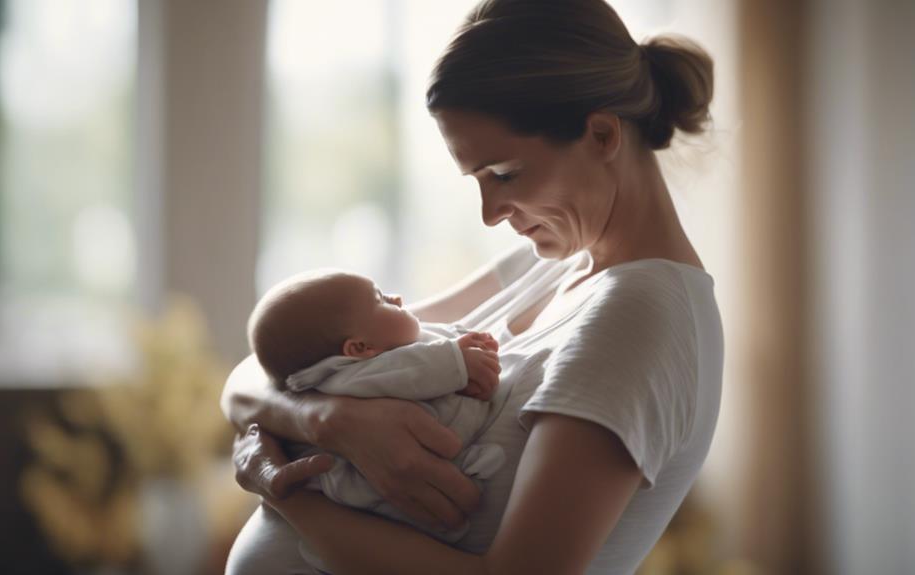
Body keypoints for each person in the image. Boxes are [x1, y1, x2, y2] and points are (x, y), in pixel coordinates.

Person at [222, 0, 724, 572]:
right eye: (477, 180)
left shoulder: (641, 317)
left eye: (505, 174)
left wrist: (288, 498)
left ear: (603, 134)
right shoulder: (549, 267)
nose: (489, 213)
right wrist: (330, 422)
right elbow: (258, 370)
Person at [245, 269, 507, 568]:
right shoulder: (353, 375)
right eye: (380, 299)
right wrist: (459, 361)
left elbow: (423, 348)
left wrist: (458, 344)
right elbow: (413, 368)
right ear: (359, 348)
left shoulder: (345, 369)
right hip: (373, 496)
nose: (396, 298)